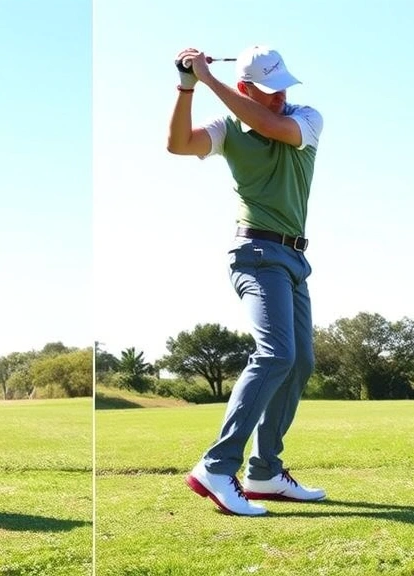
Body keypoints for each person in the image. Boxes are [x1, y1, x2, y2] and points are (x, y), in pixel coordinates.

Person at [167, 45, 326, 516]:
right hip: (256, 253)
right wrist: (187, 87)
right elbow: (179, 144)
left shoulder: (307, 118)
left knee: (299, 362)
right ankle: (217, 467)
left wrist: (209, 80)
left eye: (282, 87)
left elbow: (274, 127)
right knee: (276, 354)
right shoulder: (228, 127)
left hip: (294, 259)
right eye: (269, 90)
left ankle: (264, 472)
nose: (280, 97)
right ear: (244, 88)